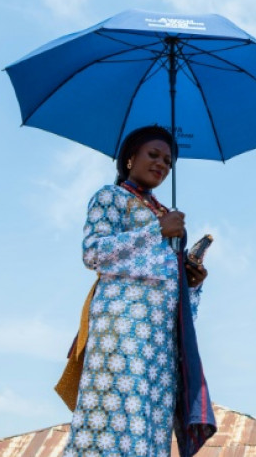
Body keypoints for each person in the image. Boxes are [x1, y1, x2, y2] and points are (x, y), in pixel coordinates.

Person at [60, 125, 215, 457]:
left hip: (160, 341)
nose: (162, 164)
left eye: (168, 161)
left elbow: (173, 294)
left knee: (149, 430)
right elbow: (93, 253)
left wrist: (192, 283)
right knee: (112, 418)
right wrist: (157, 230)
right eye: (154, 155)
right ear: (130, 158)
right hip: (122, 328)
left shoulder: (168, 216)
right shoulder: (111, 197)